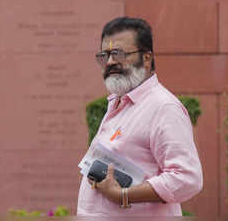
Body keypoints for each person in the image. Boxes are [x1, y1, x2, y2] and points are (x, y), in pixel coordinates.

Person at [77, 17, 203, 216]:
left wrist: (124, 195)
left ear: (146, 57)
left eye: (118, 54)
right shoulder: (118, 102)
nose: (110, 62)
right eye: (104, 55)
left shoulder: (163, 107)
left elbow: (187, 178)